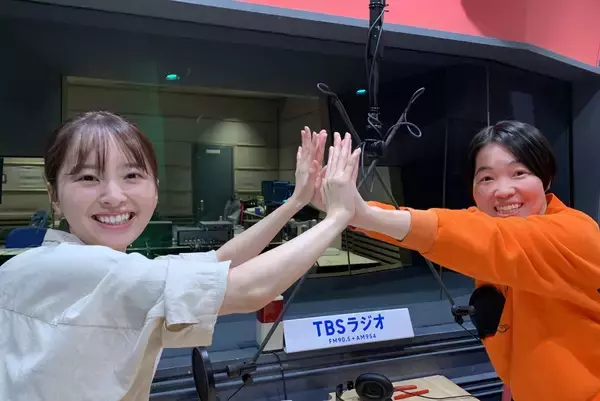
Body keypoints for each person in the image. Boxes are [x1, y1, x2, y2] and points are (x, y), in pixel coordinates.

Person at [0, 111, 361, 401]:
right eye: (88, 178)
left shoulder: (61, 262)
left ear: (155, 190)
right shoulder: (80, 269)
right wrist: (339, 216)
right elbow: (249, 289)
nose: (113, 196)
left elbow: (219, 262)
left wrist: (296, 201)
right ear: (54, 195)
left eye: (131, 175)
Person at [312, 120, 600, 401]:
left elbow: (489, 240)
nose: (502, 190)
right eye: (486, 178)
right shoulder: (485, 224)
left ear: (546, 179)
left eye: (519, 173)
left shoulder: (575, 233)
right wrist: (350, 212)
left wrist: (361, 214)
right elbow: (447, 226)